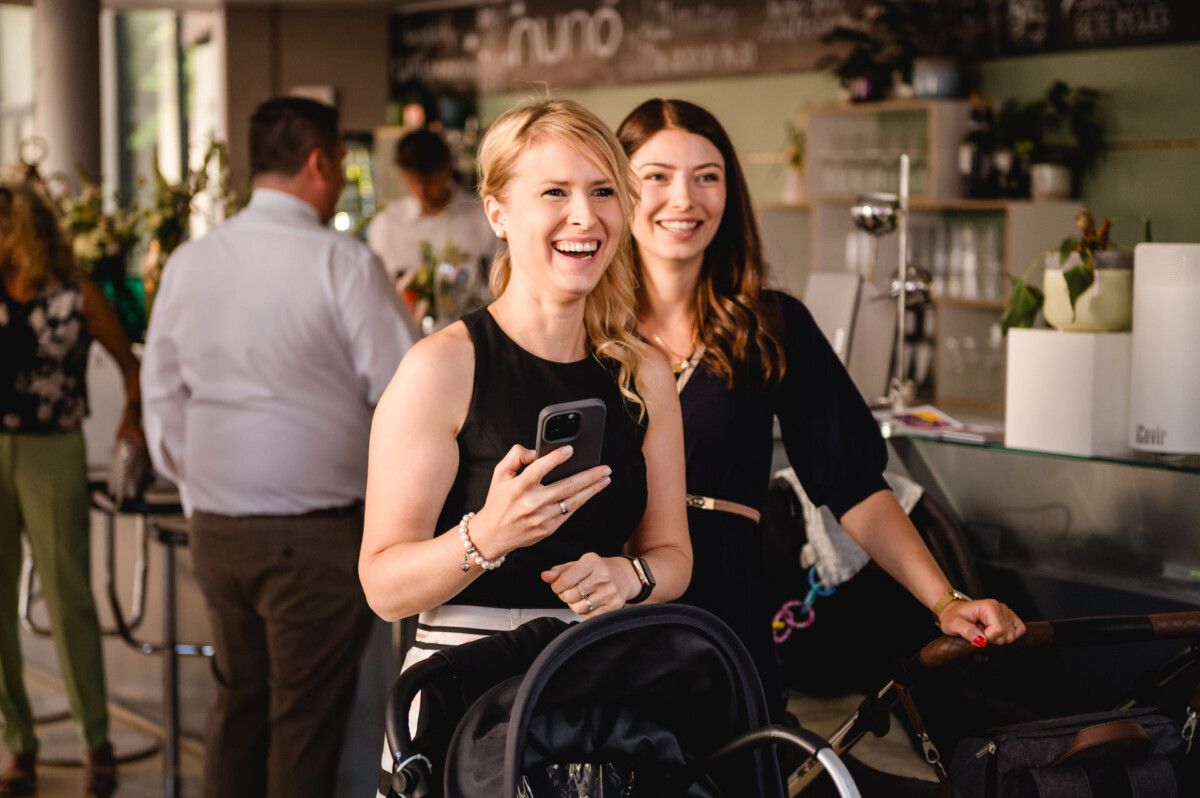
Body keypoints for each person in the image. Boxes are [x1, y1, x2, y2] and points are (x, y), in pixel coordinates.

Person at [615, 99, 1026, 715]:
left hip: (726, 612)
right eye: (656, 176)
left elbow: (852, 482)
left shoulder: (772, 325)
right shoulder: (585, 331)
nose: (684, 199)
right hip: (607, 606)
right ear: (615, 191)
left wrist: (943, 600)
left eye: (708, 176)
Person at [141, 96, 419, 798]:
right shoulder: (343, 263)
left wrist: (206, 485)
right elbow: (406, 394)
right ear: (320, 162)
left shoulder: (189, 263)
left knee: (238, 703)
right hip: (315, 537)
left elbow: (162, 398)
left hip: (218, 532)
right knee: (304, 719)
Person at [358, 97, 691, 668]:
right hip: (469, 687)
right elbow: (383, 589)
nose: (585, 216)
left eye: (603, 191)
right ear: (498, 214)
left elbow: (673, 557)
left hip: (599, 673)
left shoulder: (645, 370)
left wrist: (627, 576)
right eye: (555, 192)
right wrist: (487, 534)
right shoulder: (441, 369)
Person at [0, 181, 132, 795]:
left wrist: (132, 422)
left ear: (26, 232)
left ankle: (93, 738)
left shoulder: (76, 295)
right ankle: (17, 742)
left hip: (53, 448)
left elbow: (131, 365)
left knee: (67, 596)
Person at [365, 128, 496, 292]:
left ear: (448, 168)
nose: (422, 192)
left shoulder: (484, 219)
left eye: (430, 182)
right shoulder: (386, 224)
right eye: (413, 182)